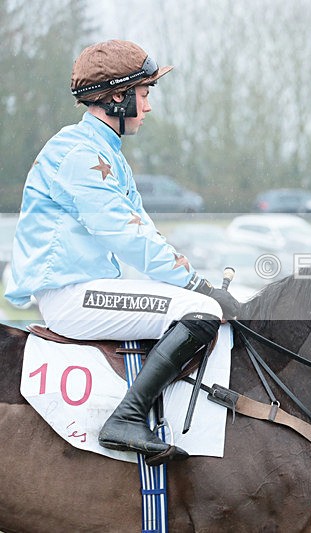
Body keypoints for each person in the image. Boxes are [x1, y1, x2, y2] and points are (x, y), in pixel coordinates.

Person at [3, 40, 240, 465]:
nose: (147, 106)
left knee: (196, 302)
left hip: (86, 289)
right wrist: (198, 287)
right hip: (71, 296)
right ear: (118, 98)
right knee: (200, 312)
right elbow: (127, 236)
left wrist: (193, 279)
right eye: (144, 94)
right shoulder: (80, 155)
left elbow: (144, 230)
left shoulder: (103, 151)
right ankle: (125, 419)